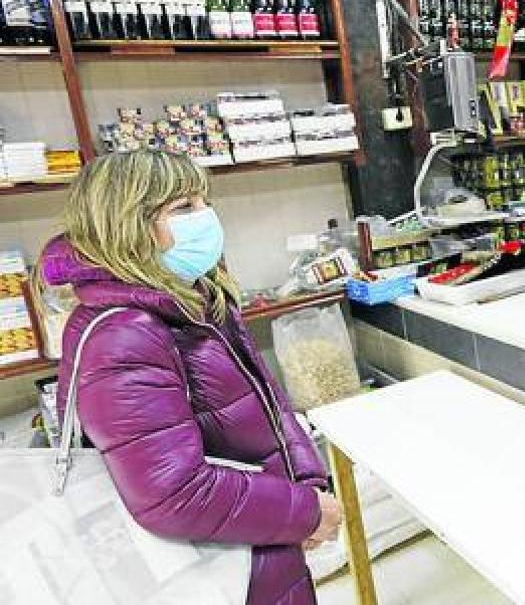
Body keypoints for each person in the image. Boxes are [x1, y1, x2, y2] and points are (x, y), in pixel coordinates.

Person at [38, 150, 342, 605]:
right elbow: (173, 493)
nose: (206, 217)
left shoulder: (197, 297)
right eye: (183, 208)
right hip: (220, 570)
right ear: (127, 224)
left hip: (258, 544)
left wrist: (308, 484)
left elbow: (270, 405)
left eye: (204, 201)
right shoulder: (124, 334)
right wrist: (302, 513)